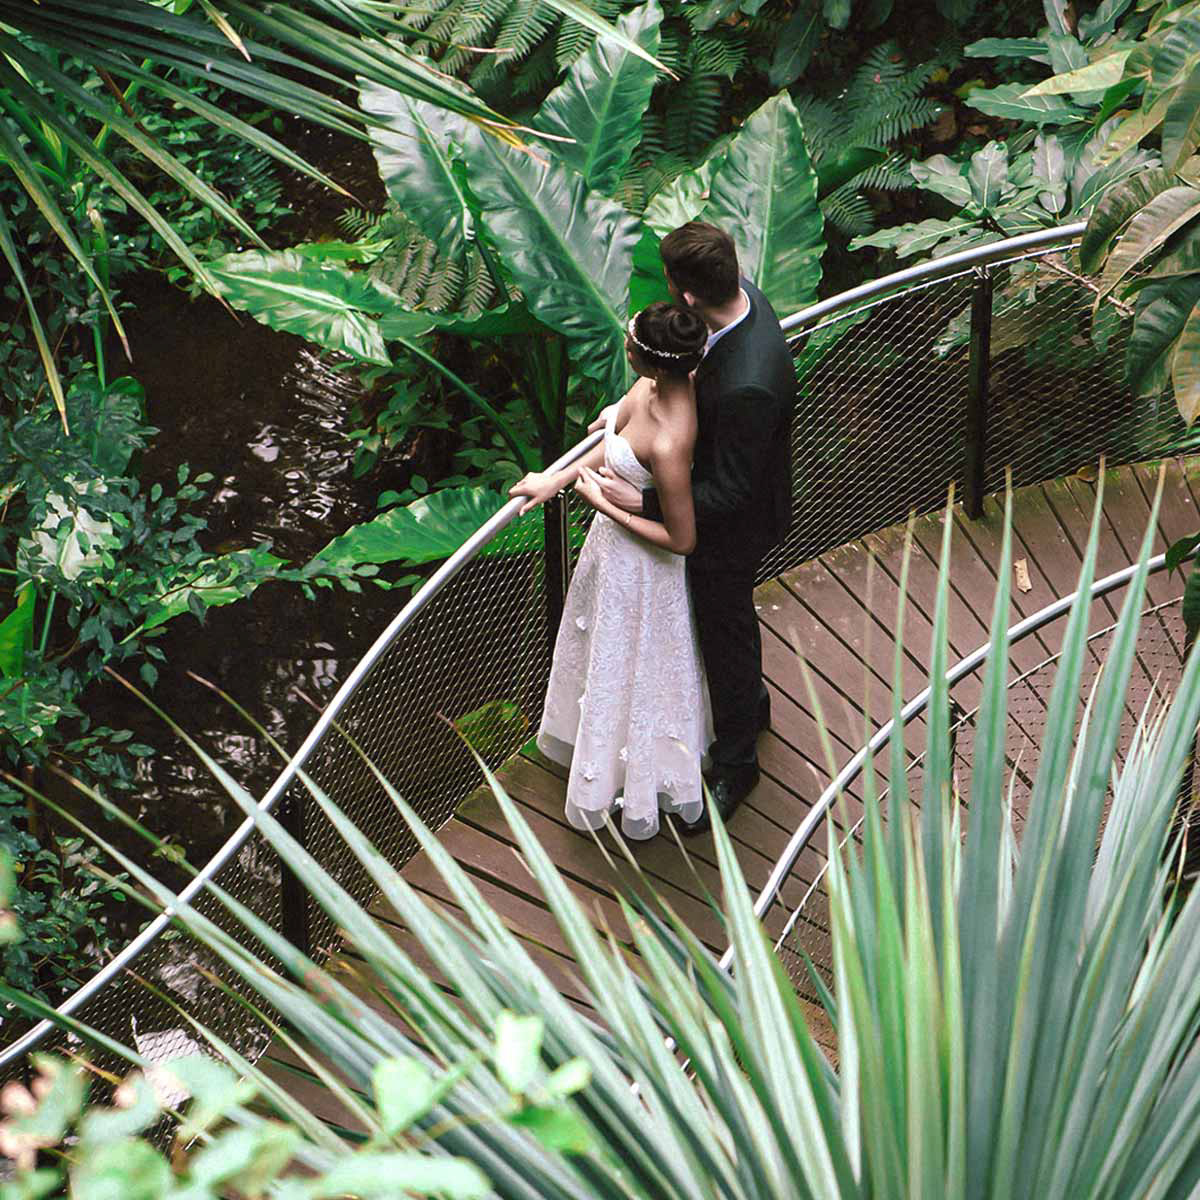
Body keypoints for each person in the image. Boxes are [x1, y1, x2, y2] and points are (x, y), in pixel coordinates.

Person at [592, 222, 796, 834]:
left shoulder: (749, 383)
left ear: (687, 295)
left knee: (724, 632)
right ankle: (751, 708)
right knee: (726, 629)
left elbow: (732, 489)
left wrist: (644, 502)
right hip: (715, 492)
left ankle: (737, 763)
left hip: (733, 529)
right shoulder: (740, 297)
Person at [509, 303, 712, 840]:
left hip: (644, 571)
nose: (624, 343)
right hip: (610, 556)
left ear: (654, 360)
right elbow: (610, 447)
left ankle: (644, 785)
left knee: (638, 669)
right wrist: (554, 480)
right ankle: (602, 761)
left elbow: (683, 539)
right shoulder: (653, 384)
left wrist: (608, 506)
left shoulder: (670, 440)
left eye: (631, 339)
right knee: (604, 658)